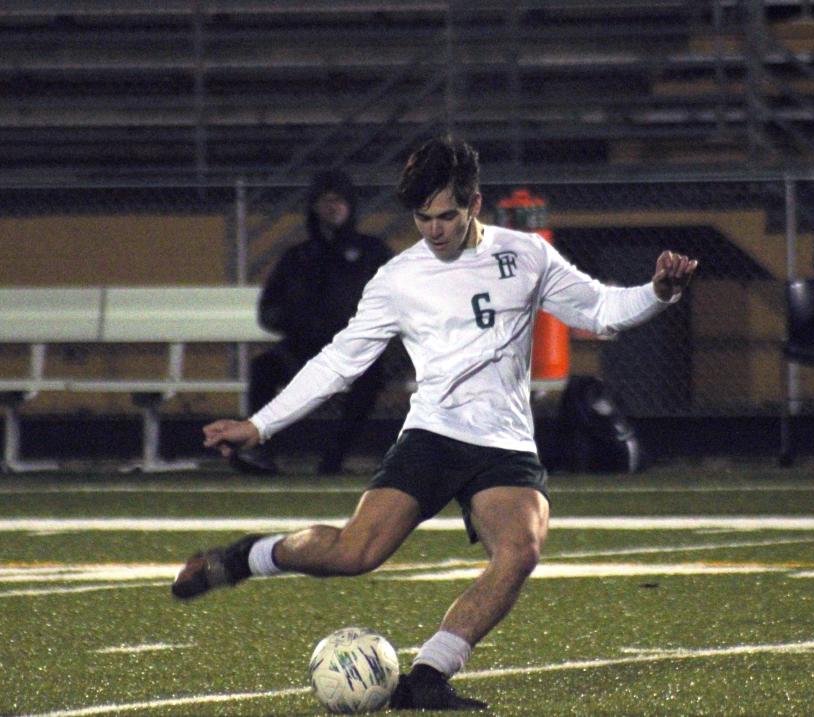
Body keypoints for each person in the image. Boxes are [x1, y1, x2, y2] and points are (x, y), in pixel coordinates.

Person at [172, 135, 697, 711]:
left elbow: (602, 312)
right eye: (422, 217)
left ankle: (428, 675)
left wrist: (658, 292)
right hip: (433, 435)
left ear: (475, 204)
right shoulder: (400, 277)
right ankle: (249, 556)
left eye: (446, 215)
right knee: (354, 555)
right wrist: (260, 425)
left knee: (521, 549)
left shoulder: (525, 254)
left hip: (503, 443)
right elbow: (339, 360)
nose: (434, 230)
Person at [231, 169, 394, 476]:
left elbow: (398, 300)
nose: (333, 207)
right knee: (263, 369)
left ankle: (333, 460)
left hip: (355, 350)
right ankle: (261, 452)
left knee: (370, 379)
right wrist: (298, 324)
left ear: (351, 205)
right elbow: (269, 309)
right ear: (314, 206)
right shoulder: (298, 257)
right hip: (303, 348)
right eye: (325, 200)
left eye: (339, 200)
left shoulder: (372, 253)